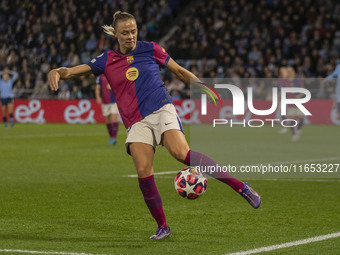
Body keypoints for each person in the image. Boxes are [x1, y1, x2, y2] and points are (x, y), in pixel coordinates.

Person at [48, 11, 261, 240]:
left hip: (161, 108)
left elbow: (178, 70)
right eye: (125, 33)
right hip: (135, 121)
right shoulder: (107, 59)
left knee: (181, 153)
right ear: (116, 35)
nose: (130, 36)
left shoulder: (150, 48)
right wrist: (55, 72)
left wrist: (203, 86)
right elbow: (70, 72)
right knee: (143, 171)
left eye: (133, 31)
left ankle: (240, 186)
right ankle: (163, 226)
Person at [95, 74, 119, 145]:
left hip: (114, 100)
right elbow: (97, 87)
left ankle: (114, 137)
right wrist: (98, 97)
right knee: (108, 119)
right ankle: (111, 137)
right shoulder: (100, 76)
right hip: (105, 101)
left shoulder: (114, 73)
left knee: (114, 117)